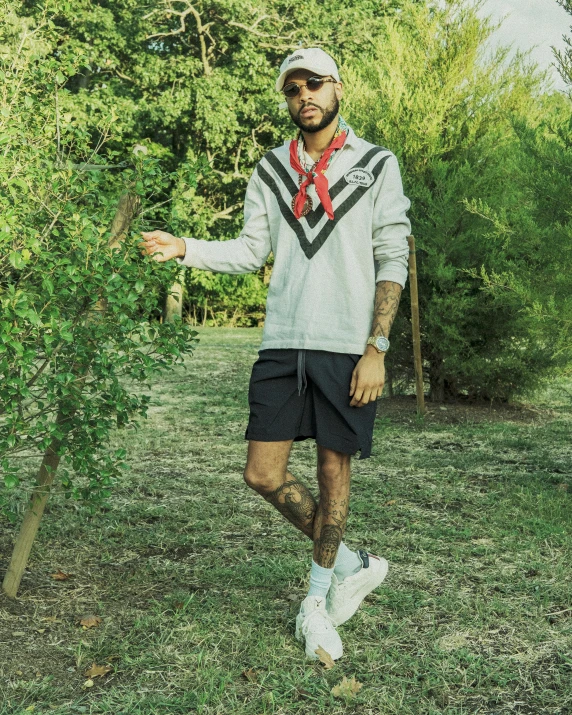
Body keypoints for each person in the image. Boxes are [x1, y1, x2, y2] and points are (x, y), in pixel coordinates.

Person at [141, 47, 411, 662]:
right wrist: (187, 247)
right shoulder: (269, 170)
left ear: (338, 87)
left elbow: (392, 255)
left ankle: (316, 600)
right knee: (261, 474)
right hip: (284, 341)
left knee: (332, 472)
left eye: (314, 83)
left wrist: (378, 346)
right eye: (293, 89)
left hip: (347, 347)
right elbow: (248, 250)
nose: (304, 96)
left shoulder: (375, 164)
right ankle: (353, 563)